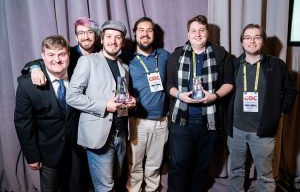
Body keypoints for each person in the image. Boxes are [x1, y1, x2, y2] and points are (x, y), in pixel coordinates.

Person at [66, 20, 136, 192]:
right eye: (109, 36)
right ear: (102, 40)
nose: (113, 41)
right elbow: (72, 96)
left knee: (117, 179)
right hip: (98, 135)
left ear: (122, 42)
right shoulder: (87, 62)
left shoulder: (124, 67)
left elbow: (119, 98)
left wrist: (130, 102)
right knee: (105, 187)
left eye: (118, 37)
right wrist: (104, 106)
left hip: (121, 133)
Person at [166, 15, 234, 192]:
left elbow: (229, 82)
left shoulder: (221, 54)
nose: (198, 34)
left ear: (207, 33)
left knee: (202, 166)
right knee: (178, 164)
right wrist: (180, 95)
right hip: (182, 121)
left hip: (209, 121)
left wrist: (215, 96)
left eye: (201, 30)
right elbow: (169, 86)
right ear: (188, 34)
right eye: (194, 30)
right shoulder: (177, 54)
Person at [226, 24, 297, 192]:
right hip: (236, 130)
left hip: (263, 131)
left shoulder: (276, 65)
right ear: (242, 42)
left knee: (265, 174)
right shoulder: (234, 64)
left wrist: (280, 112)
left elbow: (290, 90)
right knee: (235, 170)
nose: (252, 41)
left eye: (257, 37)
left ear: (263, 42)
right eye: (247, 37)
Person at [14, 35, 86, 192]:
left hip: (78, 147)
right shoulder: (27, 85)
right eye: (51, 55)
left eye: (61, 54)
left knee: (78, 187)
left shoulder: (80, 74)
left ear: (68, 54)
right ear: (43, 56)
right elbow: (23, 123)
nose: (57, 59)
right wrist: (32, 156)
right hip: (48, 150)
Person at [125, 17, 170, 192]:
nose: (145, 34)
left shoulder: (164, 55)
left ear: (154, 34)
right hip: (137, 121)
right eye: (141, 30)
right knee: (134, 165)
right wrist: (34, 66)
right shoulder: (126, 57)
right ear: (135, 33)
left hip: (161, 121)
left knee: (154, 164)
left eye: (149, 30)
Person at [22, 17, 101, 85]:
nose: (86, 36)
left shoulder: (103, 53)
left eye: (90, 32)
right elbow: (38, 62)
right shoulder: (67, 53)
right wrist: (35, 68)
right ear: (76, 38)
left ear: (96, 36)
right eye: (81, 33)